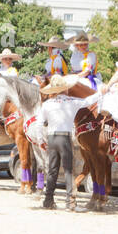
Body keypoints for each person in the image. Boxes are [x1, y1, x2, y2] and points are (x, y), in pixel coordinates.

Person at [40, 74, 81, 210]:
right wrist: (102, 92)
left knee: (52, 170)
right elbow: (88, 101)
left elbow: (40, 123)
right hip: (65, 138)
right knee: (68, 170)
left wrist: (41, 139)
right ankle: (70, 201)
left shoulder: (47, 104)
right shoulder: (72, 101)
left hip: (51, 138)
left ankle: (48, 200)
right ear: (65, 89)